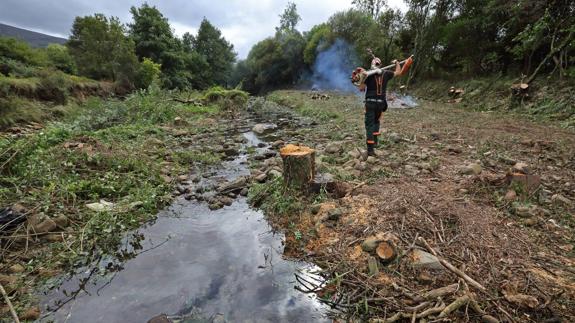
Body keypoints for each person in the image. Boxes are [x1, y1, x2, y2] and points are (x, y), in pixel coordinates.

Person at [358, 56, 412, 156]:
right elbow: (398, 72)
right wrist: (396, 62)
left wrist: (360, 79)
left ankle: (370, 150)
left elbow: (361, 88)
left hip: (370, 102)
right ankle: (375, 143)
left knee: (369, 125)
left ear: (372, 65)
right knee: (376, 122)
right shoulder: (386, 73)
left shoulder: (368, 75)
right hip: (381, 103)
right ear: (381, 64)